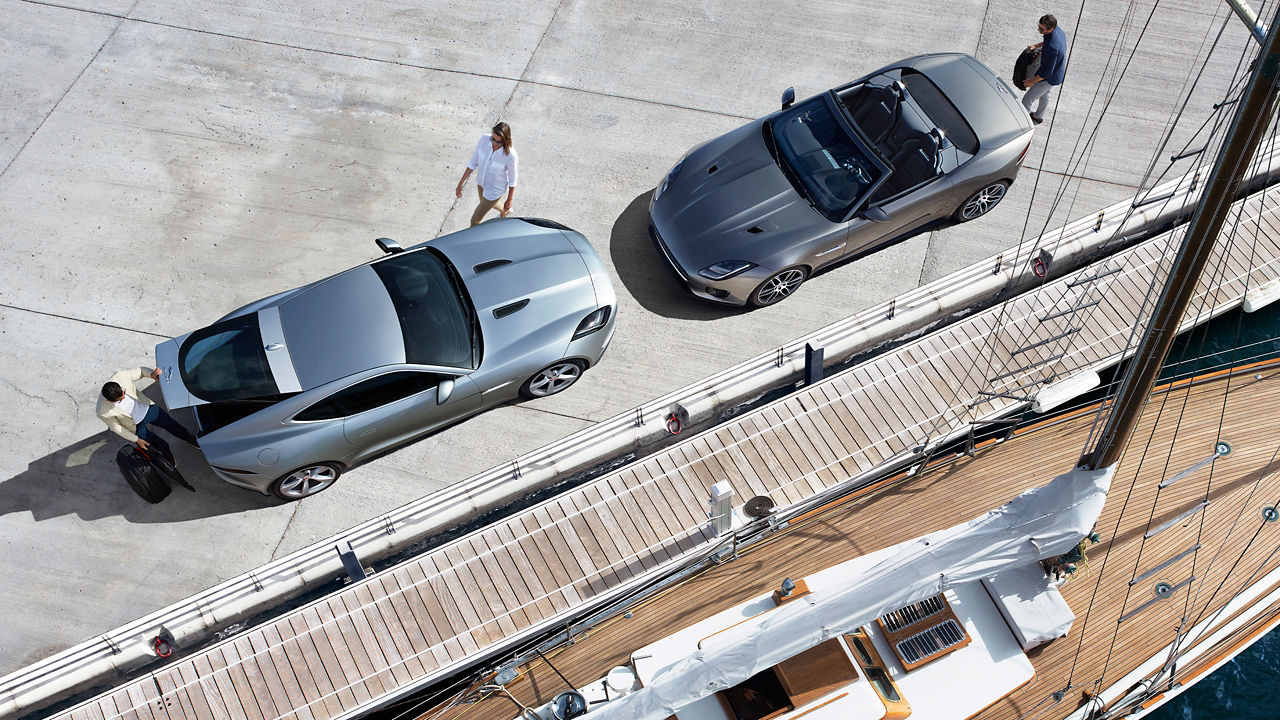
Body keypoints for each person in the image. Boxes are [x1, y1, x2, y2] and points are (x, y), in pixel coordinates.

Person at [97, 367, 198, 455]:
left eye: (124, 392)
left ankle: (187, 437)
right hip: (134, 425)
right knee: (152, 442)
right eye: (120, 400)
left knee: (171, 424)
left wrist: (151, 374)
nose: (124, 397)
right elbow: (117, 428)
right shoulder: (103, 411)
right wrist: (136, 439)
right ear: (109, 401)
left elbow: (141, 371)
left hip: (147, 409)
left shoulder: (120, 377)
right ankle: (166, 452)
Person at [455, 122, 518, 226]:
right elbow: (473, 162)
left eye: (499, 142)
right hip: (481, 183)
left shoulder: (511, 155)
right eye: (493, 139)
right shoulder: (484, 140)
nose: (495, 144)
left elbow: (513, 179)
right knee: (487, 203)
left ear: (505, 141)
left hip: (495, 190)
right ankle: (506, 210)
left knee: (474, 221)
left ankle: (473, 240)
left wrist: (509, 199)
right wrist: (460, 183)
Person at [1022, 14, 1067, 124]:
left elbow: (1046, 74)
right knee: (1045, 94)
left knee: (1027, 100)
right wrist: (1036, 46)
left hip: (1049, 77)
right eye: (1039, 26)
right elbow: (1047, 41)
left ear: (1050, 28)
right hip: (1058, 72)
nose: (1039, 29)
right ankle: (1038, 116)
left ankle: (1025, 124)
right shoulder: (1057, 30)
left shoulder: (1052, 48)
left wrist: (1030, 82)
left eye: (1041, 29)